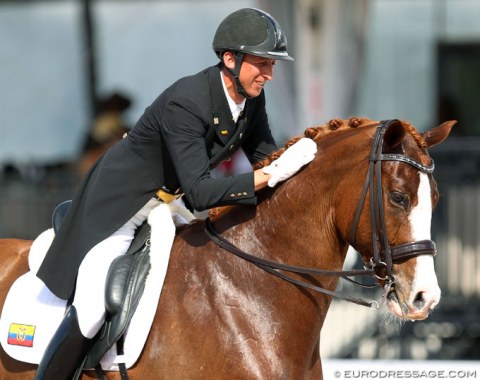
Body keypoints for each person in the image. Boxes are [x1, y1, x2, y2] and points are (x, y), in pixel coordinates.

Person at [34, 7, 317, 379]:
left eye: (273, 65)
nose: (268, 74)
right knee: (91, 310)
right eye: (261, 63)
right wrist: (269, 174)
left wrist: (303, 163)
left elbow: (270, 161)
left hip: (168, 207)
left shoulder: (251, 100)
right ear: (229, 59)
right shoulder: (188, 101)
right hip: (119, 208)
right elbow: (203, 191)